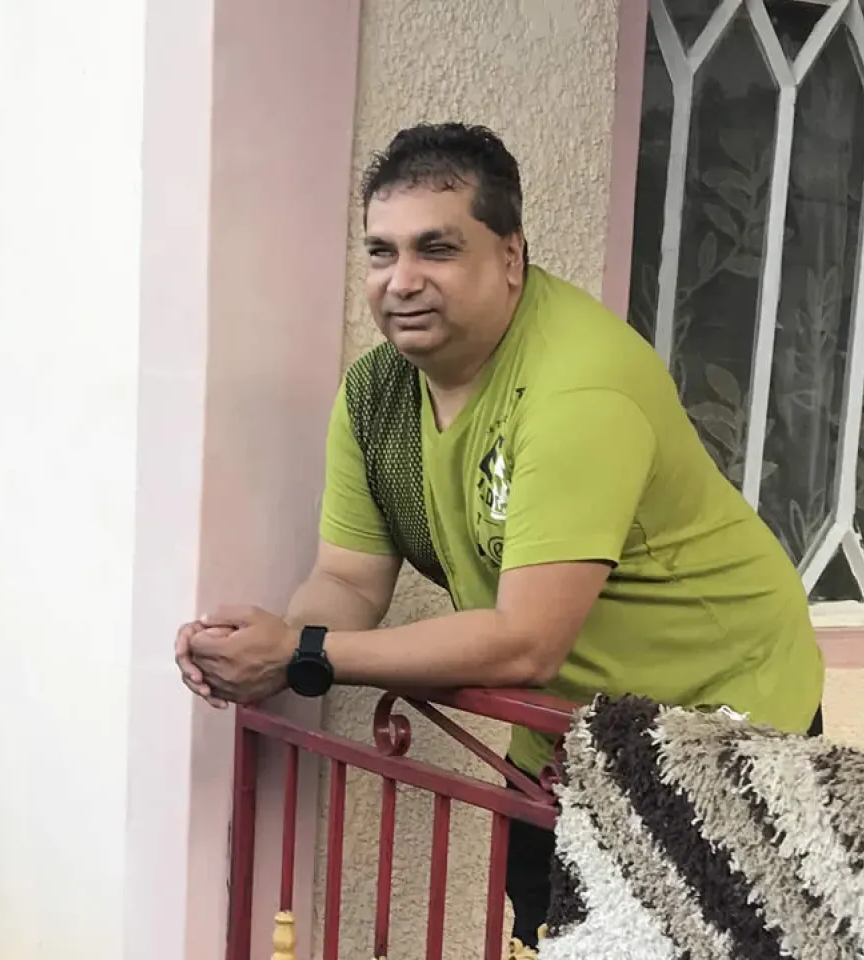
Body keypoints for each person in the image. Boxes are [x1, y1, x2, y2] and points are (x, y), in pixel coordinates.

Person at [174, 122, 824, 948]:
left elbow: (526, 641)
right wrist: (270, 648)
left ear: (510, 257)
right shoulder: (378, 394)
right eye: (381, 252)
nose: (402, 281)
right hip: (565, 735)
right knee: (544, 938)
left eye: (437, 249)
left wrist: (304, 655)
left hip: (720, 721)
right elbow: (347, 581)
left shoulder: (578, 389)